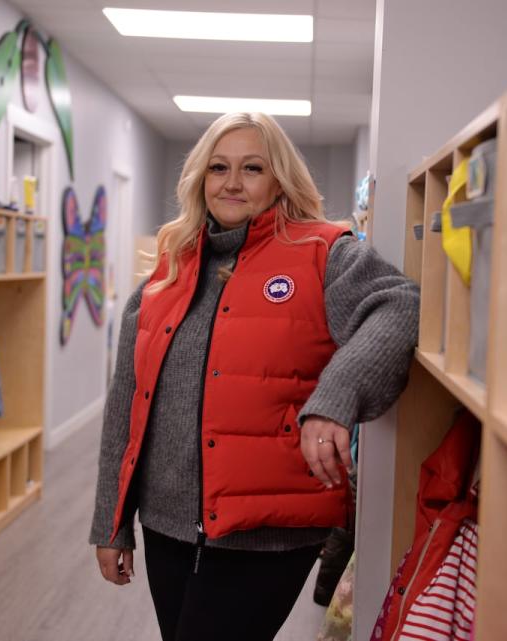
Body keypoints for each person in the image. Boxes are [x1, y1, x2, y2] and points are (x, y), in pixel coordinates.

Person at [89, 111, 419, 641]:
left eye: (253, 168)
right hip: (167, 523)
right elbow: (127, 403)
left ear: (279, 179)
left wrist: (334, 398)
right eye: (219, 167)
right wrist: (111, 523)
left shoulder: (322, 253)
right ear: (201, 178)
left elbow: (399, 305)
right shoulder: (169, 270)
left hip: (270, 532)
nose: (233, 182)